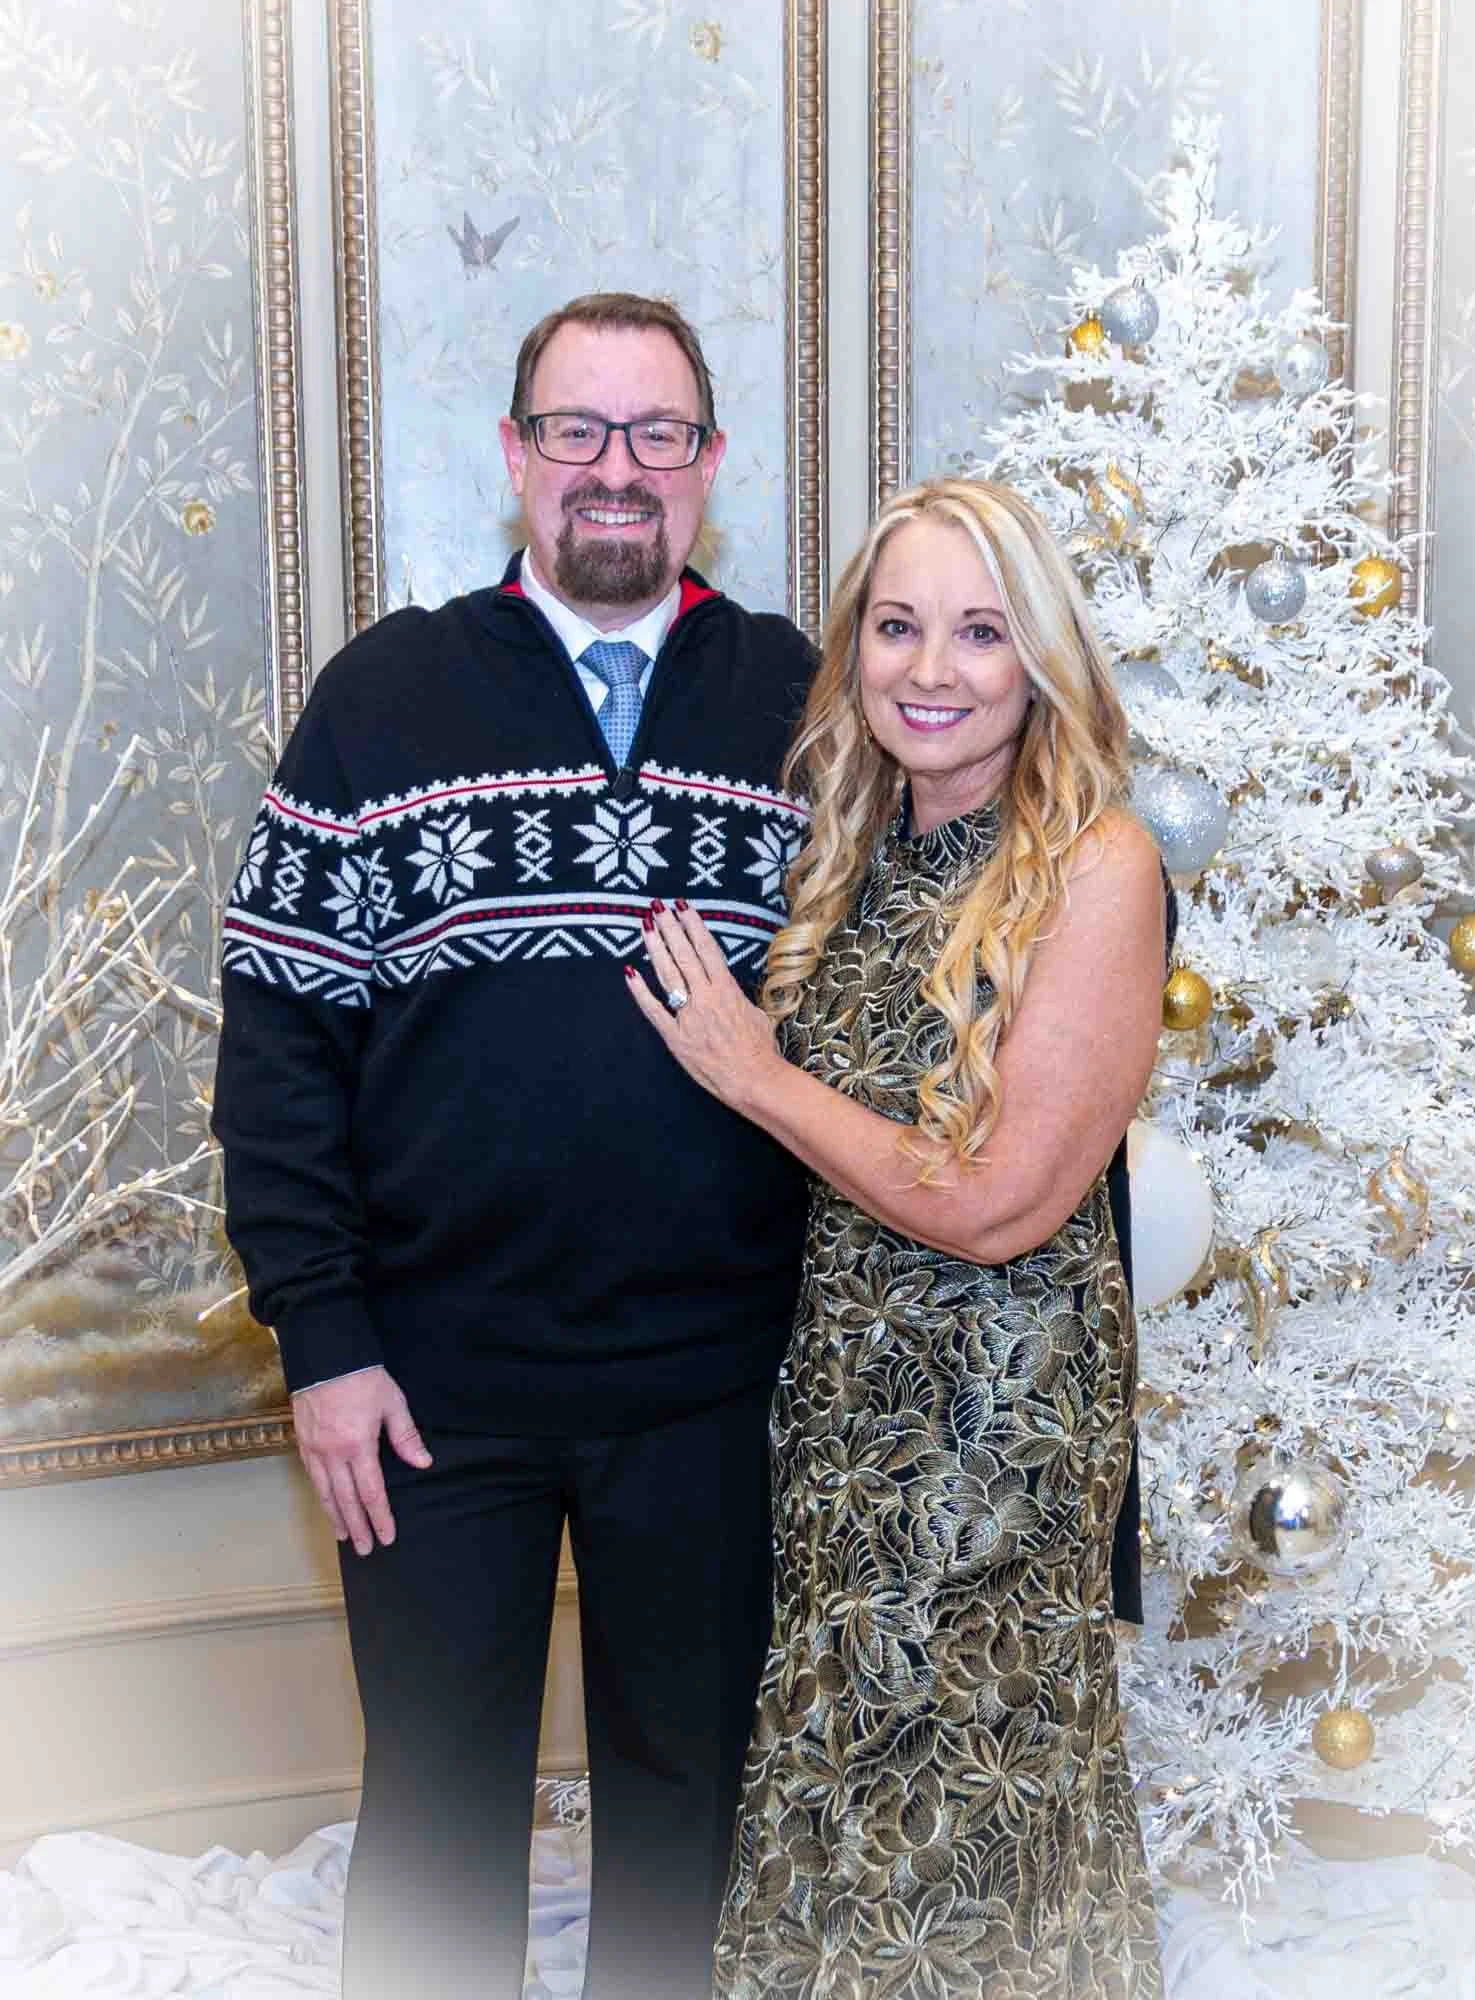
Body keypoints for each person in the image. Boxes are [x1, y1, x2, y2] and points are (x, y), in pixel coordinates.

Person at [211, 293, 816, 2000]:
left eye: (657, 433)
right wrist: (324, 1341)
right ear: (515, 454)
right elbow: (279, 1034)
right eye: (577, 429)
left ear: (708, 463)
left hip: (711, 1383)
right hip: (427, 1389)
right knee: (436, 1811)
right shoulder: (386, 698)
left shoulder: (797, 701)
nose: (616, 468)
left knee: (691, 1807)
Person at [627, 476, 1170, 1997]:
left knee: (951, 1822)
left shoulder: (1098, 865)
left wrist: (755, 1074)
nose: (931, 670)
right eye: (897, 626)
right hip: (841, 1421)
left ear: (1041, 659)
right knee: (831, 1784)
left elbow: (1002, 1201)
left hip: (995, 1431)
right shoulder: (851, 853)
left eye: (981, 633)